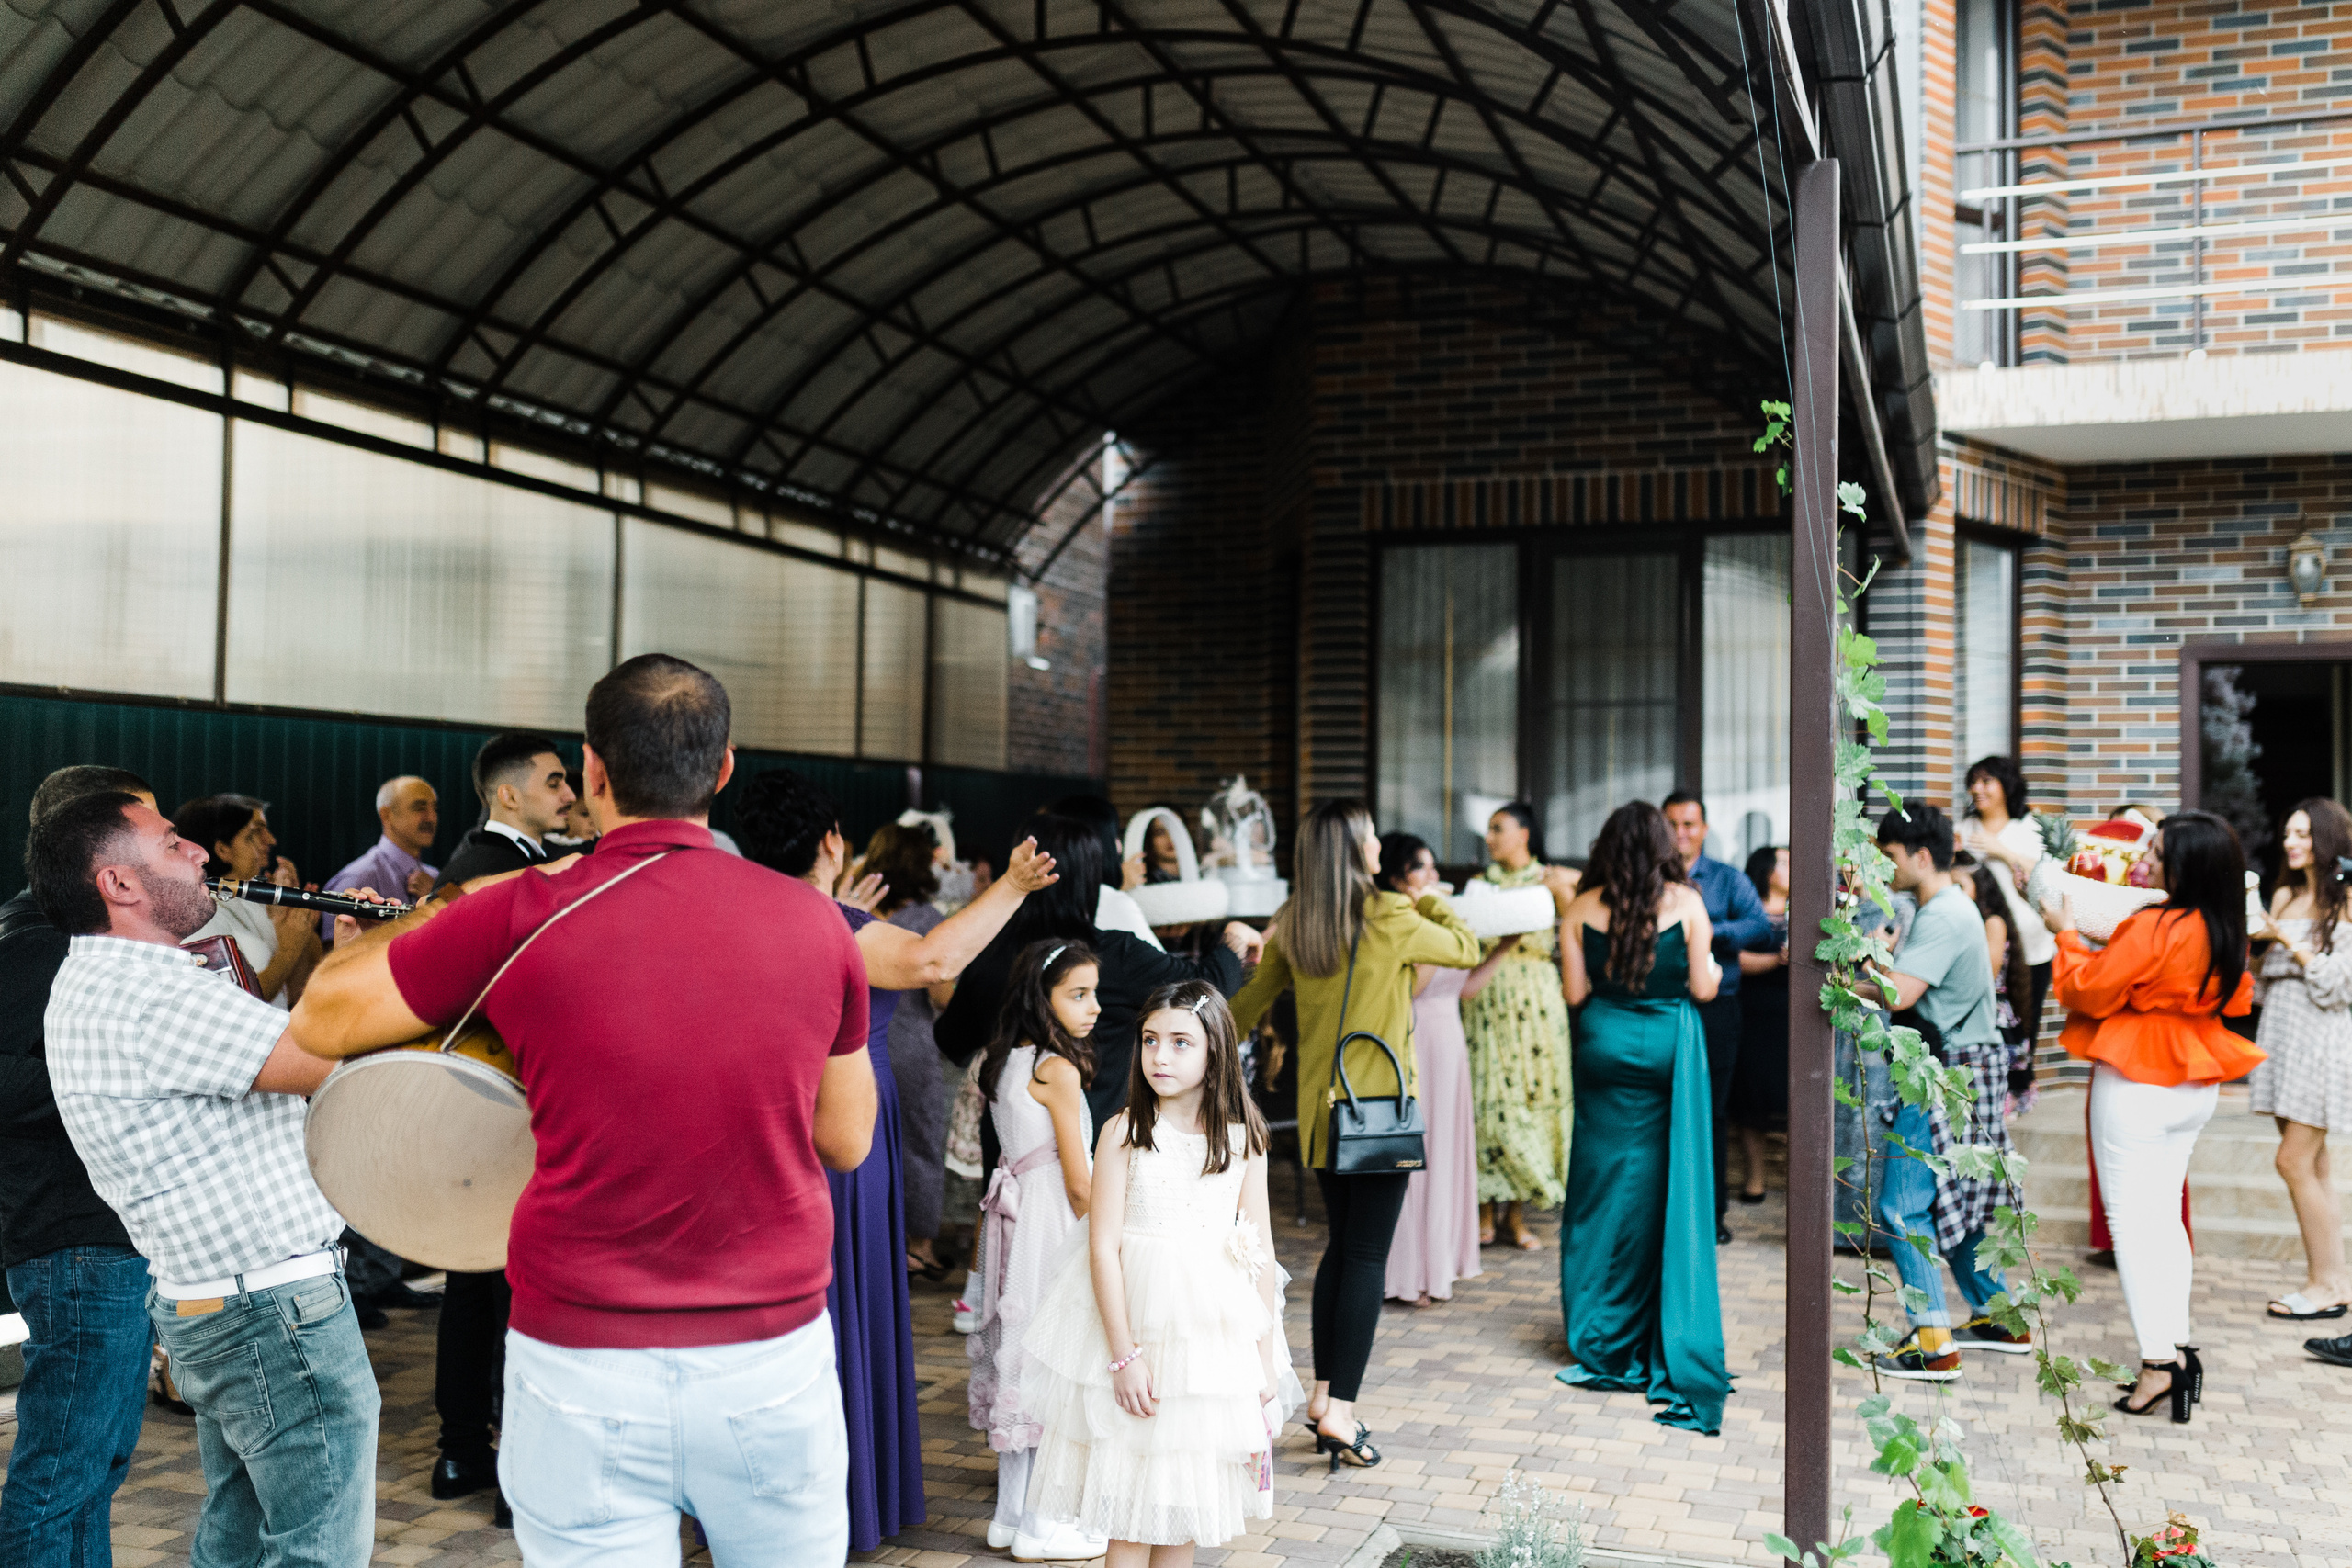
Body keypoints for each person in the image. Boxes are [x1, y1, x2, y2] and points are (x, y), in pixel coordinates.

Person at [294, 654, 880, 1562]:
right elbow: (845, 1138)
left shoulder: (518, 912)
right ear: (723, 769)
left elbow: (326, 1013)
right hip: (767, 1357)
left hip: (579, 1361)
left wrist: (446, 906)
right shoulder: (816, 923)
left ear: (594, 771)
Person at [29, 789, 374, 1567]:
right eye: (173, 842)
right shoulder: (153, 992)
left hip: (225, 1299)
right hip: (272, 1307)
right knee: (321, 1545)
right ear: (119, 883)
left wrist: (346, 946)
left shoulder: (102, 980)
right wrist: (380, 955)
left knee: (242, 1530)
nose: (200, 855)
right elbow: (326, 1060)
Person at [732, 767, 1062, 1556]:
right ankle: (847, 1496)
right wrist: (1014, 885)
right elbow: (930, 961)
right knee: (849, 1295)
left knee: (791, 1304)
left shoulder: (755, 914)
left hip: (768, 1115)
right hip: (847, 1119)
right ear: (831, 841)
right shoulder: (839, 922)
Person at [1229, 799, 1481, 1470]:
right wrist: (1425, 898)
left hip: (1321, 1115)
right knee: (1367, 1254)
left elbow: (1240, 1010)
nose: (1377, 845)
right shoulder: (1394, 915)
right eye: (1369, 837)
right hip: (1378, 1115)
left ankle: (1321, 1394)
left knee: (1343, 1249)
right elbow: (1467, 946)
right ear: (1353, 851)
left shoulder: (1295, 928)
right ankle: (1340, 1408)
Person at [1022, 982, 1299, 1563]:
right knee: (1128, 1506)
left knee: (1183, 1507)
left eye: (1180, 1043)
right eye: (1151, 1041)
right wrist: (1124, 1356)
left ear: (1215, 1052)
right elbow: (1102, 1249)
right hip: (1135, 1328)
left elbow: (1260, 1249)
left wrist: (1265, 1353)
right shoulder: (1125, 1132)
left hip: (1209, 1346)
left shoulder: (1245, 1139)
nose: (1160, 1057)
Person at [2045, 809, 2261, 1422]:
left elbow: (2088, 988)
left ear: (2184, 864)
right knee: (2165, 1217)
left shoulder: (2153, 924)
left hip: (2138, 1074)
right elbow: (2234, 997)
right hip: (2195, 1077)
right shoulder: (2225, 927)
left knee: (2132, 1224)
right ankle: (2179, 1346)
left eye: (2159, 851)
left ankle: (2158, 1362)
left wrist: (2066, 934)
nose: (2148, 859)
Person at [0, 766, 160, 1568]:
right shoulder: (31, 942)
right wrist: (119, 1070)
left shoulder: (81, 938)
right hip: (75, 1245)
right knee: (62, 1469)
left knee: (97, 1466)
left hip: (102, 1241)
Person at [420, 732, 574, 1523]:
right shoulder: (496, 868)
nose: (570, 793)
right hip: (504, 1092)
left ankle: (462, 1450)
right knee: (511, 1285)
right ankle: (507, 1461)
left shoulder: (478, 859)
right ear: (508, 793)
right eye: (555, 781)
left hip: (478, 1095)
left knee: (476, 1280)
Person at [1555, 801, 1729, 1431]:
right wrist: (1702, 966)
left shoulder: (1579, 907)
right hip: (1667, 1052)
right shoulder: (1686, 902)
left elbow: (1575, 994)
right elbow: (1705, 989)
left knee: (1600, 1188)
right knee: (1662, 1189)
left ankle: (1596, 1326)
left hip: (1603, 1046)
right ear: (1662, 845)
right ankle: (1657, 1318)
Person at [937, 815, 1253, 1134]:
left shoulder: (988, 950)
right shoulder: (1117, 954)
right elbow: (1206, 988)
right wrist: (1234, 937)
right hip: (1099, 1153)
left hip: (1013, 1154)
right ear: (1091, 878)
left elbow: (951, 1041)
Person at [1869, 807, 2030, 1382]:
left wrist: (1857, 959)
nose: (1885, 867)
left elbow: (1899, 994)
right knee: (1952, 1203)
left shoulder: (1942, 914)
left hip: (1942, 1073)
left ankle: (1934, 1345)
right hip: (1967, 1070)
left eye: (1889, 856)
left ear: (1921, 855)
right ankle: (2002, 1318)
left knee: (1902, 1205)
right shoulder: (1950, 908)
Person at [968, 939, 1104, 1562]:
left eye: (1094, 993)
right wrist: (1107, 1238)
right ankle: (1044, 1525)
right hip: (1050, 1214)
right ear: (1040, 999)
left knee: (1019, 1356)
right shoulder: (1059, 1069)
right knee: (1054, 1358)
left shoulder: (1004, 1061)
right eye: (1078, 994)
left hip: (1015, 1213)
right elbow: (1080, 1181)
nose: (1094, 1006)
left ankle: (1010, 1513)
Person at [2249, 798, 2352, 1321]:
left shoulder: (2347, 901)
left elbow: (2339, 985)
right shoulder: (2286, 894)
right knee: (2314, 1165)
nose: (2291, 842)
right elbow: (2265, 979)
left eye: (2304, 835)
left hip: (2320, 1039)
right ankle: (2331, 1281)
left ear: (2327, 840)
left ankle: (2325, 1286)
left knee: (2292, 1161)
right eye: (2288, 833)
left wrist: (2288, 939)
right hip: (2284, 1035)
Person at [1459, 801, 1578, 1250]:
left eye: (1497, 829)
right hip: (1488, 994)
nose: (1489, 838)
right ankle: (1485, 1209)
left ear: (1524, 833)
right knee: (1488, 1096)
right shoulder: (1478, 885)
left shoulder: (1551, 880)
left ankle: (1517, 1215)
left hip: (1537, 999)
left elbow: (1575, 931)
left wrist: (1563, 884)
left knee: (1531, 1095)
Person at [1375, 832, 1487, 1306]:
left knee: (1444, 1150)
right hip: (1416, 1039)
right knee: (1416, 1154)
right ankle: (1408, 1273)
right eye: (1424, 869)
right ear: (1400, 878)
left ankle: (1440, 1262)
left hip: (1450, 1042)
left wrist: (1503, 948)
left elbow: (1465, 987)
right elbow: (1411, 990)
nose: (1435, 878)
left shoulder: (1434, 923)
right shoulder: (1404, 924)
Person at [847, 819, 958, 1280]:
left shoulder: (856, 914)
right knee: (919, 1143)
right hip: (912, 1045)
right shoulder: (929, 921)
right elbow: (942, 996)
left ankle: (870, 1239)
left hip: (859, 1043)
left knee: (864, 1144)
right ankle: (919, 1248)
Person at [1660, 792, 1772, 1240]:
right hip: (1663, 1006)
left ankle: (1711, 1217)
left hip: (1716, 1009)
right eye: (1672, 824)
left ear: (1704, 829)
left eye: (1689, 824)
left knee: (1712, 1111)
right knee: (1662, 1108)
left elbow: (1760, 927)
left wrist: (1706, 929)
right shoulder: (1649, 879)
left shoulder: (1727, 879)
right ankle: (1665, 1214)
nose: (1680, 833)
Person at [174, 793, 323, 1008]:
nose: (270, 840)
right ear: (222, 849)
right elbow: (236, 1004)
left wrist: (297, 920)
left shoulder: (254, 899)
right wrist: (287, 952)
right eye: (255, 832)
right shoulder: (198, 913)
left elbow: (295, 995)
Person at [1958, 756, 2057, 1038]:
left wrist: (2001, 851)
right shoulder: (1964, 829)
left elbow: (2047, 874)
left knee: (2023, 1028)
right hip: (1978, 947)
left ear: (2007, 786)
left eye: (1986, 781)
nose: (1977, 789)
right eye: (1973, 782)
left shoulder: (2031, 827)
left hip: (2030, 947)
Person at [1728, 846, 1791, 1203]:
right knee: (1751, 1100)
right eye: (1783, 861)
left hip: (1790, 1015)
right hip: (1752, 1013)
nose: (1791, 866)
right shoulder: (1747, 913)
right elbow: (1732, 958)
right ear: (1766, 871)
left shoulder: (1807, 910)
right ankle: (1755, 1180)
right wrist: (1776, 960)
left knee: (1791, 1097)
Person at [435, 734, 576, 886]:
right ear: (510, 797)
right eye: (554, 784)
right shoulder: (479, 875)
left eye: (565, 783)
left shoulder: (550, 859)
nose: (571, 796)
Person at [320, 773, 441, 939]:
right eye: (420, 808)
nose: (432, 818)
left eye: (434, 808)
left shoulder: (436, 879)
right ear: (386, 815)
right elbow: (334, 958)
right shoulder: (355, 879)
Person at [1048, 793, 1164, 951]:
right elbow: (1167, 969)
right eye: (1113, 836)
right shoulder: (1111, 902)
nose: (1119, 847)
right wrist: (1119, 892)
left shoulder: (1040, 899)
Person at [543, 768, 597, 852]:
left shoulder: (599, 843)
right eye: (585, 814)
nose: (593, 821)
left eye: (595, 814)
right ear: (563, 812)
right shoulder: (546, 848)